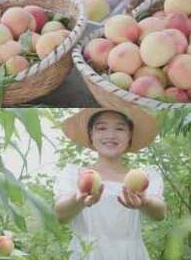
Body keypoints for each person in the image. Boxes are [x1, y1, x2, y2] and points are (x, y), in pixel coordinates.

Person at [54, 107, 166, 260]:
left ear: (129, 136)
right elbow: (61, 216)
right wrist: (79, 199)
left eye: (120, 128)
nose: (110, 135)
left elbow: (160, 214)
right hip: (87, 254)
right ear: (91, 135)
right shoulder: (75, 174)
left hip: (131, 254)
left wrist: (144, 202)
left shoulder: (144, 176)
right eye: (101, 128)